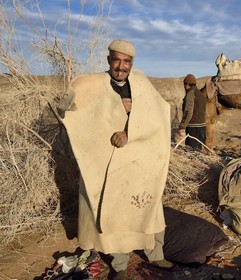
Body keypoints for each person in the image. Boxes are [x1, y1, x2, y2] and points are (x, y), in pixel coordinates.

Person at [58, 39, 173, 279]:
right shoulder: (95, 86)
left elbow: (159, 115)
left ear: (132, 62)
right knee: (113, 211)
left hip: (141, 161)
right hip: (108, 162)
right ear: (109, 59)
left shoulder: (141, 85)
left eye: (126, 61)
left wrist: (131, 129)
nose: (121, 66)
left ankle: (155, 254)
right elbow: (79, 115)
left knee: (148, 206)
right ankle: (119, 265)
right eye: (116, 59)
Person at [177, 74, 207, 150]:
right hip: (202, 126)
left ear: (187, 84)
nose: (184, 87)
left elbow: (188, 112)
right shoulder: (201, 94)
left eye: (184, 84)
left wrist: (182, 126)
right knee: (198, 151)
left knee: (191, 151)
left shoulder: (190, 94)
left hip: (193, 127)